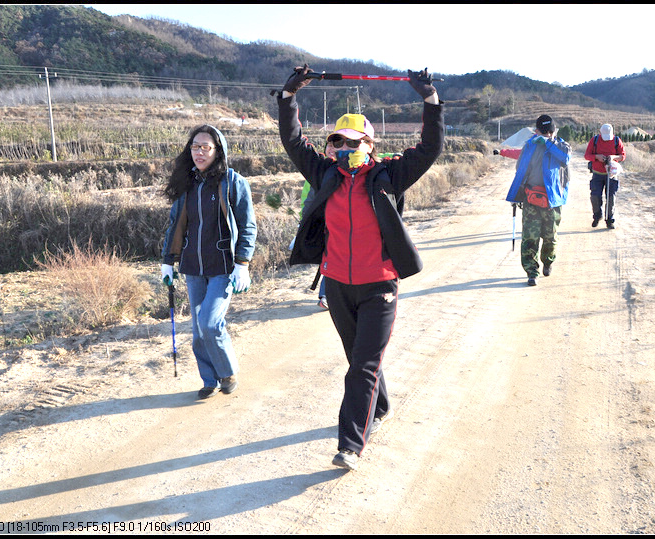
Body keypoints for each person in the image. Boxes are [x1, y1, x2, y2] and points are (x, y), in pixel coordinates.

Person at [276, 64, 444, 471]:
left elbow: (429, 148)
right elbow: (294, 141)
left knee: (363, 366)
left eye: (353, 140)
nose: (343, 146)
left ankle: (350, 444)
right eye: (337, 140)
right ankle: (379, 405)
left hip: (378, 288)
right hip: (336, 286)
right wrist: (288, 97)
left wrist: (430, 101)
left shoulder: (388, 176)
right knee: (359, 359)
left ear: (370, 143)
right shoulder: (325, 175)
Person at [161, 124, 257, 400]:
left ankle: (226, 372)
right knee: (198, 329)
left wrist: (243, 263)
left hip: (223, 266)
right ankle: (209, 379)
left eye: (206, 147)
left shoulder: (233, 182)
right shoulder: (187, 183)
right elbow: (175, 225)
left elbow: (247, 225)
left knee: (210, 322)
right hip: (192, 266)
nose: (199, 152)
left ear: (218, 151)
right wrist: (168, 261)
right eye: (195, 146)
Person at [500, 114, 571, 286]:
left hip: (552, 201)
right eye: (541, 132)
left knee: (550, 237)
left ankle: (548, 261)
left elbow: (565, 159)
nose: (543, 135)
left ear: (553, 131)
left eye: (546, 133)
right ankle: (532, 272)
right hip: (531, 198)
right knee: (529, 237)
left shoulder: (562, 146)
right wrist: (517, 194)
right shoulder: (530, 145)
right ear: (537, 131)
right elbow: (520, 169)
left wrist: (547, 143)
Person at [584, 123, 625, 229]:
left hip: (611, 175)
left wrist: (613, 157)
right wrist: (596, 157)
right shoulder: (594, 140)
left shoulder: (616, 141)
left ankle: (610, 220)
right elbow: (587, 155)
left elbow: (622, 156)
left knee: (611, 198)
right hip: (597, 174)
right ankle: (597, 216)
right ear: (600, 133)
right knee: (595, 196)